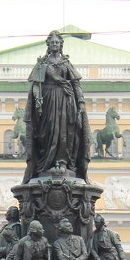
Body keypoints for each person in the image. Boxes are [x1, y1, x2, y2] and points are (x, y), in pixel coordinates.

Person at [22, 29, 90, 183]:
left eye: (57, 42)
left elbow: (76, 84)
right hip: (48, 101)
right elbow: (36, 84)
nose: (54, 44)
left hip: (66, 101)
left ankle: (62, 161)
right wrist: (37, 98)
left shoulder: (66, 63)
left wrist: (80, 102)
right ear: (48, 44)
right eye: (52, 42)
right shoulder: (42, 64)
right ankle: (47, 163)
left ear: (61, 45)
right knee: (48, 130)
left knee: (66, 132)